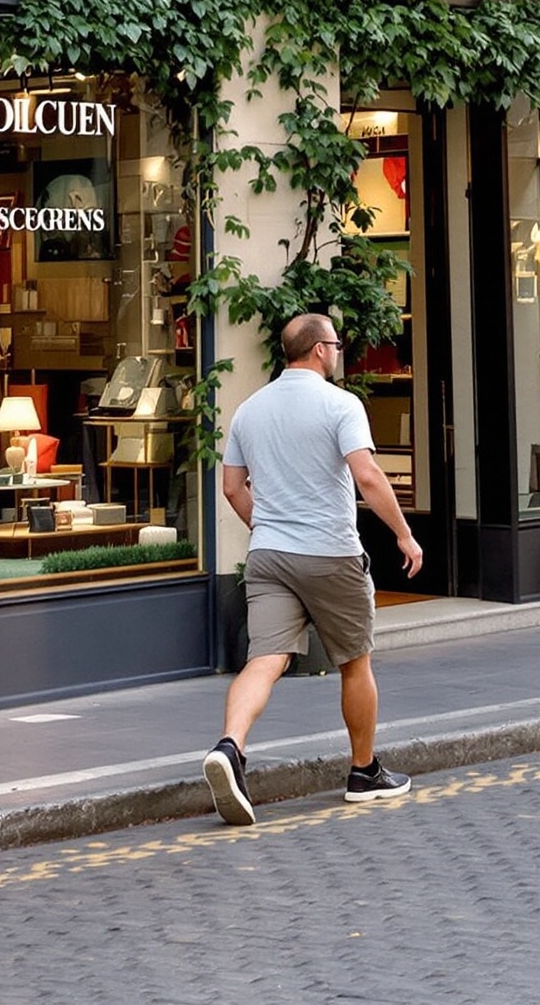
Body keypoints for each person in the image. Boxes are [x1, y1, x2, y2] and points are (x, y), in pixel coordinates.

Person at [202, 311, 424, 827]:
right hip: (330, 553)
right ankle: (364, 771)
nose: (340, 351)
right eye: (338, 344)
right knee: (355, 661)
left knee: (266, 659)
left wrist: (271, 526)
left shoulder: (250, 410)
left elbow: (233, 487)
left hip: (270, 554)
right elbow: (367, 475)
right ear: (321, 350)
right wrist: (404, 534)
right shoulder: (340, 404)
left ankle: (230, 748)